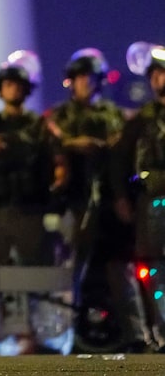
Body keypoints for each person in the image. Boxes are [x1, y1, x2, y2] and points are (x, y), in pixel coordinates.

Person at [47, 48, 148, 352]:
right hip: (74, 204)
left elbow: (127, 140)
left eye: (89, 77)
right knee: (69, 272)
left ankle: (136, 335)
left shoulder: (114, 115)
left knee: (121, 270)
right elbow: (50, 137)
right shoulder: (60, 116)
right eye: (79, 77)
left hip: (109, 204)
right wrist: (75, 144)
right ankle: (65, 338)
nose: (84, 83)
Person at [0, 60, 65, 352]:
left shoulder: (39, 126)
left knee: (33, 275)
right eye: (8, 84)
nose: (13, 89)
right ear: (0, 89)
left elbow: (59, 163)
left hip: (31, 210)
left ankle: (37, 334)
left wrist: (56, 185)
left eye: (18, 84)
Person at [112, 44, 165, 352]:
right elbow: (119, 162)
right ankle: (156, 334)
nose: (158, 78)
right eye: (154, 74)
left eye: (162, 72)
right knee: (149, 269)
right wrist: (121, 197)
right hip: (151, 202)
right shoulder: (140, 121)